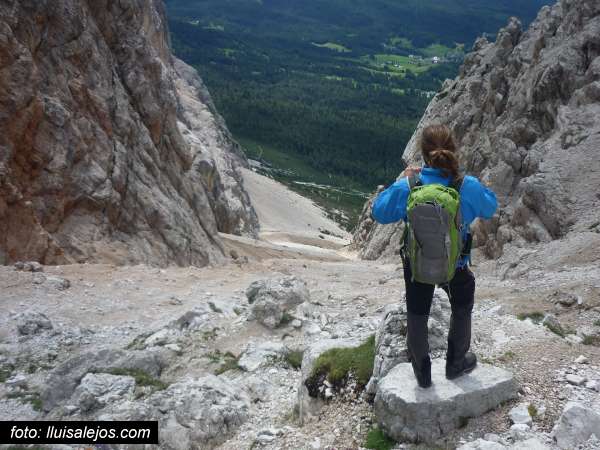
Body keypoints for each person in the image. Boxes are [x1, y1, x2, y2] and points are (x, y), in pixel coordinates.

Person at [371, 124, 497, 388]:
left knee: (418, 312)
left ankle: (422, 372)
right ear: (452, 149)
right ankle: (456, 362)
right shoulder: (466, 185)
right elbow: (490, 207)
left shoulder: (410, 185)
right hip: (456, 262)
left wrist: (401, 180)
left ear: (423, 153)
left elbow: (379, 212)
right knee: (462, 306)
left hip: (418, 263)